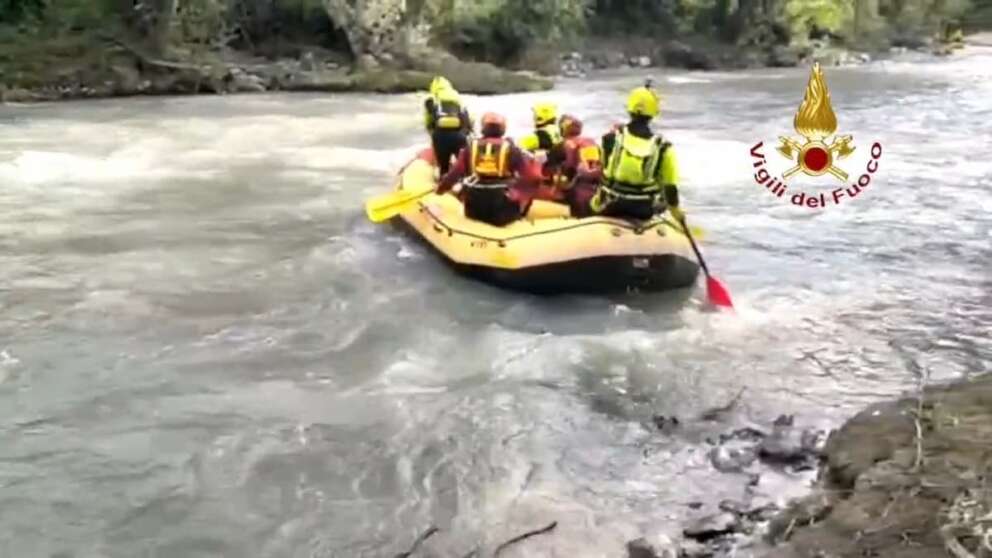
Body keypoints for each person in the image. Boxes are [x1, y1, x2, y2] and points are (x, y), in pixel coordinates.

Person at [591, 82, 684, 222]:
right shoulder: (663, 148)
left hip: (611, 204)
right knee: (661, 196)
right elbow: (670, 187)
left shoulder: (609, 138)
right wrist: (677, 213)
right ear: (654, 113)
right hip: (643, 209)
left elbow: (603, 171)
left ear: (629, 109)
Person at [437, 112, 543, 227]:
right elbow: (532, 176)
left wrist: (440, 190)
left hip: (474, 210)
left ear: (483, 128)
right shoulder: (512, 150)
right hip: (502, 211)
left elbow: (454, 174)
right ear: (503, 129)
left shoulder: (470, 148)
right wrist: (519, 192)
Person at [423, 76, 472, 176]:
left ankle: (443, 184)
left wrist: (432, 134)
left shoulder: (431, 99)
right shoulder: (456, 97)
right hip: (459, 136)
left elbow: (428, 120)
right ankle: (465, 186)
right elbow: (467, 117)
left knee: (444, 167)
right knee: (465, 167)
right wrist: (466, 132)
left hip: (440, 136)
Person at [557, 114, 603, 217]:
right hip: (597, 189)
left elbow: (565, 168)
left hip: (578, 190)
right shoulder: (592, 142)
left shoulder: (565, 145)